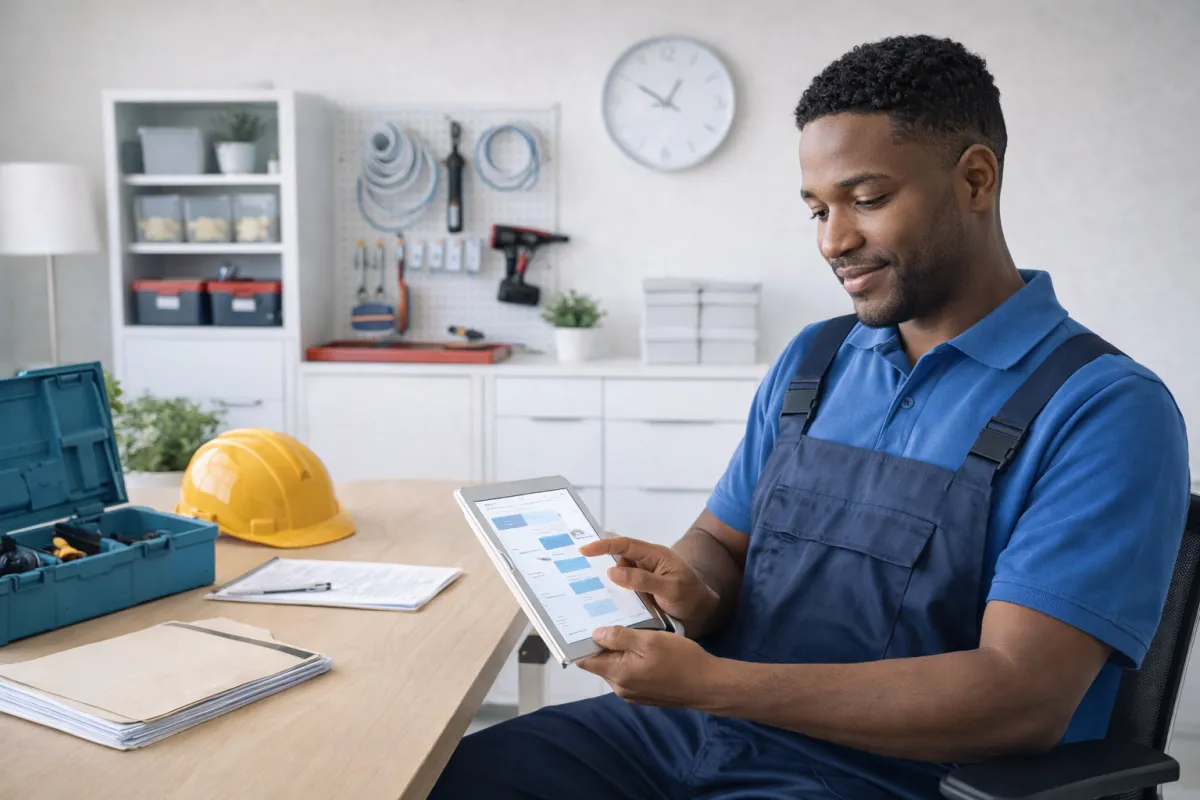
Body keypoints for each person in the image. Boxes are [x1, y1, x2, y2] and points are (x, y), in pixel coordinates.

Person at [428, 34, 1191, 799]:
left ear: (976, 179)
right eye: (818, 209)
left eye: (868, 200)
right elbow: (721, 539)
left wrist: (715, 684)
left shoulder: (1105, 410)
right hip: (695, 734)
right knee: (444, 778)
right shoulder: (816, 359)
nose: (834, 240)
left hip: (888, 783)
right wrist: (691, 585)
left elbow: (1019, 697)